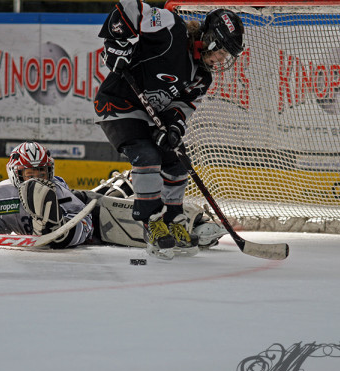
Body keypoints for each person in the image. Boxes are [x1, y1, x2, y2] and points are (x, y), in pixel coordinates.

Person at [93, 0, 244, 259]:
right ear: (209, 38)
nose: (221, 59)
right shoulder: (171, 29)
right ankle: (151, 223)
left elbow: (184, 106)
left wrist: (173, 127)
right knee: (147, 157)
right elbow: (131, 8)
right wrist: (115, 44)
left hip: (150, 114)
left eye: (226, 56)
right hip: (117, 104)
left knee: (176, 161)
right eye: (221, 51)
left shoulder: (202, 76)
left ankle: (174, 222)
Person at [0, 141, 227, 256]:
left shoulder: (60, 192)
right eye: (30, 172)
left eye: (42, 171)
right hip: (74, 215)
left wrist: (57, 231)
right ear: (15, 172)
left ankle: (193, 221)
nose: (37, 177)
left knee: (119, 199)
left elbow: (85, 224)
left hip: (94, 213)